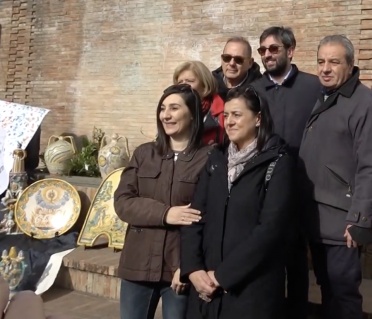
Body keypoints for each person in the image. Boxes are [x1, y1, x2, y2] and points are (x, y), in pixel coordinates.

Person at [180, 86, 295, 319]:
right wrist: (193, 269)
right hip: (206, 293)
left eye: (237, 115)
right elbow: (195, 216)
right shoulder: (216, 161)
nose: (229, 122)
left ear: (258, 118)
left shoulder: (278, 163)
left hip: (249, 292)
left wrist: (223, 276)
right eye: (226, 116)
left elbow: (270, 230)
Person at [298, 35, 372, 319]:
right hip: (315, 216)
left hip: (342, 223)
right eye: (321, 61)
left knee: (343, 293)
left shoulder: (364, 104)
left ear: (350, 65)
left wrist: (359, 220)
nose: (325, 68)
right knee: (327, 289)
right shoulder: (324, 97)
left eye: (334, 62)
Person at [114, 84, 213, 319]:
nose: (166, 115)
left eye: (174, 108)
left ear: (192, 114)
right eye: (162, 108)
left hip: (178, 271)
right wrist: (165, 213)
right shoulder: (144, 154)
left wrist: (189, 265)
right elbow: (123, 202)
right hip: (137, 265)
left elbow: (211, 218)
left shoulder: (208, 157)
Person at [251, 26, 321, 319]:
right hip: (261, 190)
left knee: (296, 262)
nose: (267, 54)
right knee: (266, 260)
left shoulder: (313, 87)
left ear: (290, 51)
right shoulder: (253, 90)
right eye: (263, 50)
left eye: (274, 49)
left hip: (303, 189)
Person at [174, 61, 225, 146]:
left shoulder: (224, 113)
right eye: (180, 82)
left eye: (189, 81)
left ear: (204, 84)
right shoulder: (172, 113)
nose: (183, 86)